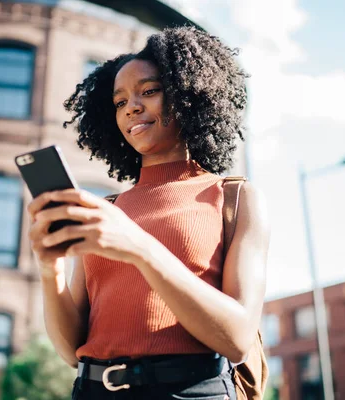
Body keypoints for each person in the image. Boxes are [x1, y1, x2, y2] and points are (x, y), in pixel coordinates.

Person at [27, 26, 269, 400]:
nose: (132, 108)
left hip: (190, 392)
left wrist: (139, 247)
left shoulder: (234, 198)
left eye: (149, 91)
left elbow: (236, 338)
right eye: (120, 102)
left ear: (189, 94)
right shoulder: (110, 211)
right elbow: (69, 349)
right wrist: (49, 268)